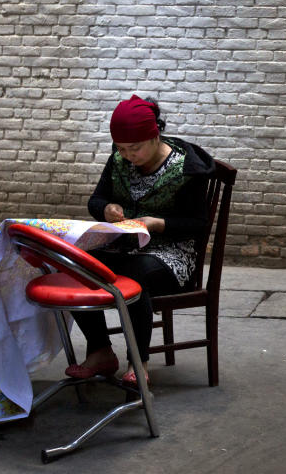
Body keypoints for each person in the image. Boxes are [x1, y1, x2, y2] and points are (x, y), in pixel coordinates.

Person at [67, 96, 215, 385]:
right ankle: (100, 351)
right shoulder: (119, 160)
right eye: (121, 149)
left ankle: (139, 362)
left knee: (134, 275)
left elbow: (198, 224)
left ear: (154, 135)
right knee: (75, 264)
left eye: (134, 148)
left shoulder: (185, 169)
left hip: (172, 253)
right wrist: (106, 210)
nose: (127, 156)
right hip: (124, 245)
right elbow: (96, 200)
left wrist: (157, 223)